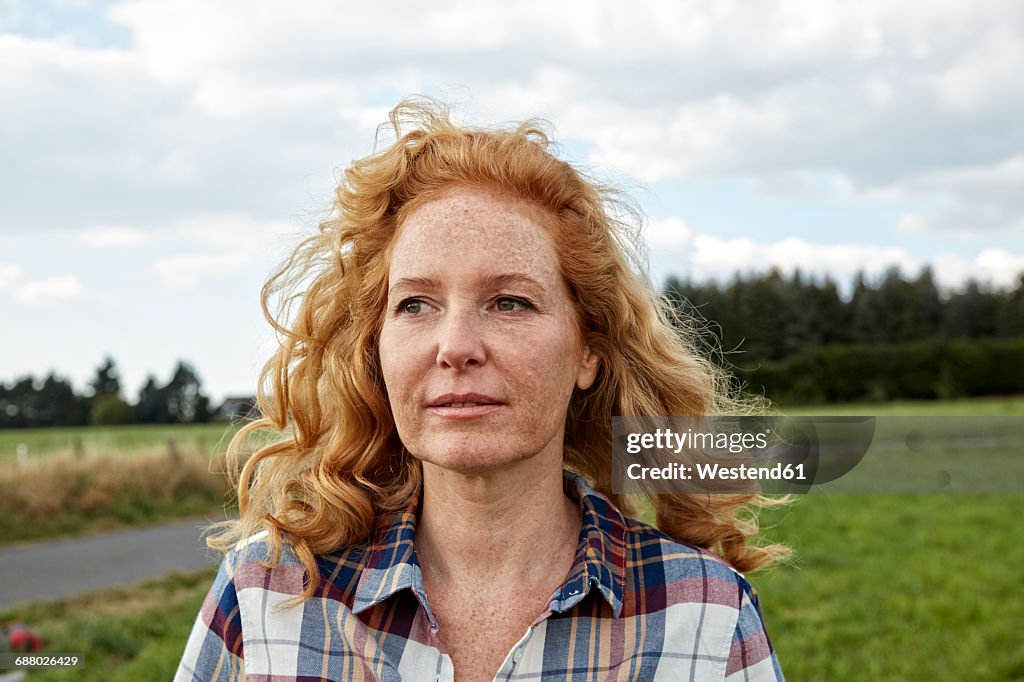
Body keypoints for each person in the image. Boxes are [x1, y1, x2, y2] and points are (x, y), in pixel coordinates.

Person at [176, 98, 788, 681]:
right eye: (415, 304)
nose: (455, 345)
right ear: (376, 346)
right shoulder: (265, 594)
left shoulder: (705, 615)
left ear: (588, 352)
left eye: (510, 301)